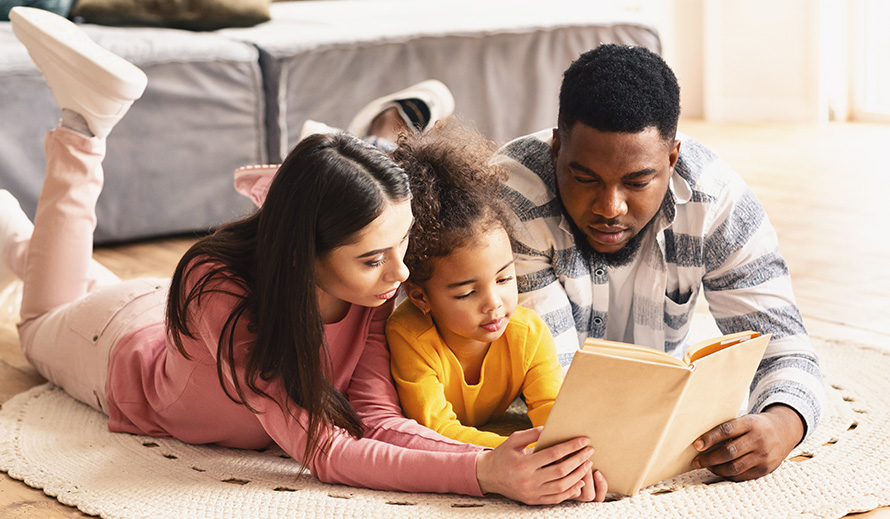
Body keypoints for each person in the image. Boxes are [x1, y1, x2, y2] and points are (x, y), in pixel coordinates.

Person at [1, 6, 602, 505]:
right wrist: (482, 476)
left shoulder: (371, 291)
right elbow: (325, 450)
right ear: (304, 257)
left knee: (52, 275)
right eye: (373, 259)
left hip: (160, 308)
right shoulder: (225, 302)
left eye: (402, 246)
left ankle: (9, 228)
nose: (400, 277)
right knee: (36, 324)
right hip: (115, 344)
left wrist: (497, 456)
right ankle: (84, 128)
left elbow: (379, 421)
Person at [494, 44, 826, 482]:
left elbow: (784, 343)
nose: (610, 207)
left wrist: (781, 426)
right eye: (585, 177)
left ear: (672, 159)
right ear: (556, 148)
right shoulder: (508, 199)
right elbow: (560, 393)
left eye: (637, 181)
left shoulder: (718, 202)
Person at [384, 121, 563, 448]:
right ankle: (378, 129)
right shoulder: (408, 335)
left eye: (505, 278)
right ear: (421, 296)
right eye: (467, 292)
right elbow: (436, 430)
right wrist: (511, 451)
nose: (494, 302)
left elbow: (556, 415)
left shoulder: (528, 335)